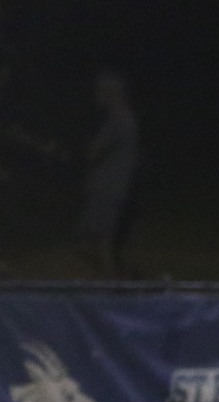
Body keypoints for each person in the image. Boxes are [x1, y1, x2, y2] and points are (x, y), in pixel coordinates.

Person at [79, 69, 137, 277]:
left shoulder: (118, 120)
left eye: (101, 91)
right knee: (92, 240)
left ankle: (111, 285)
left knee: (101, 240)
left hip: (108, 187)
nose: (97, 95)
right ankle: (110, 280)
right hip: (111, 185)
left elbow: (92, 153)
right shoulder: (123, 117)